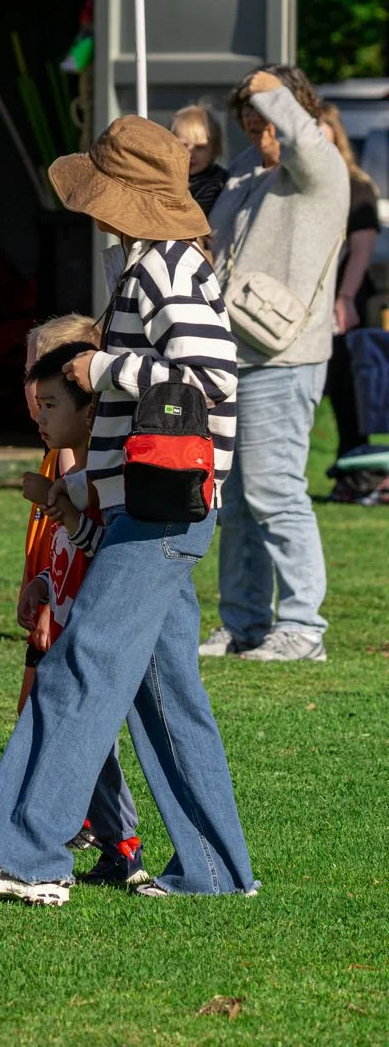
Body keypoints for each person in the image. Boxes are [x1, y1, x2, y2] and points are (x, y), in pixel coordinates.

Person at [0, 114, 252, 905]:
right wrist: (89, 483)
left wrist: (103, 366)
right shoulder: (160, 264)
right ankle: (216, 870)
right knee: (165, 694)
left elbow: (213, 375)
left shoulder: (162, 271)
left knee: (81, 666)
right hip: (157, 504)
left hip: (159, 510)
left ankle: (29, 855)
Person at [203, 66, 347, 663]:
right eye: (246, 113)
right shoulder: (243, 169)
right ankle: (243, 624)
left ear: (292, 109)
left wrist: (272, 91)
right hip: (232, 355)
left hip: (285, 357)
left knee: (275, 492)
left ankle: (303, 628)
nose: (255, 123)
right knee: (237, 499)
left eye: (264, 112)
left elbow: (304, 140)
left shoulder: (320, 167)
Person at [16, 341, 148, 886]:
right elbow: (70, 556)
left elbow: (105, 554)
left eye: (51, 405)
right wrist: (44, 585)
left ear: (90, 412)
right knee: (79, 740)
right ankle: (116, 846)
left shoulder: (103, 482)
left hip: (94, 633)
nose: (40, 415)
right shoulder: (73, 479)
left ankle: (114, 843)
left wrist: (67, 512)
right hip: (69, 626)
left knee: (84, 740)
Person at [319, 106, 383, 501]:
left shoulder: (356, 187)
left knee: (350, 391)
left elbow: (361, 250)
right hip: (314, 302)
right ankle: (352, 474)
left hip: (347, 302)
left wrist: (344, 299)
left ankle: (359, 475)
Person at [173, 101, 229, 216]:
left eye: (200, 147)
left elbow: (194, 216)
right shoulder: (167, 176)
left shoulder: (216, 182)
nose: (190, 153)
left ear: (214, 149)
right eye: (183, 145)